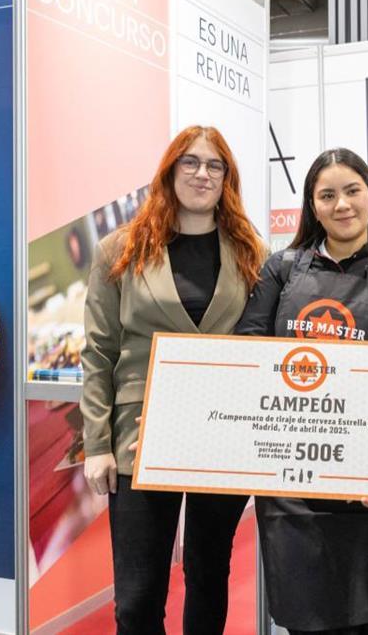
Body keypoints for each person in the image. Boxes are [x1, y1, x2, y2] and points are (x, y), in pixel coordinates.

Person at [80, 126, 266, 635]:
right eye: (190, 163)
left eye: (214, 165)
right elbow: (98, 352)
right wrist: (97, 445)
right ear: (169, 171)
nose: (202, 174)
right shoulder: (120, 249)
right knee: (137, 600)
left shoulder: (252, 253)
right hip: (140, 439)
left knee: (209, 578)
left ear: (227, 177)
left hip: (221, 437)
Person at [235, 147, 368, 635]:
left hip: (365, 490)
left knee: (360, 617)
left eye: (352, 191)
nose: (342, 204)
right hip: (290, 480)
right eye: (328, 195)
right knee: (302, 617)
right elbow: (248, 356)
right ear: (312, 206)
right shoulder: (280, 270)